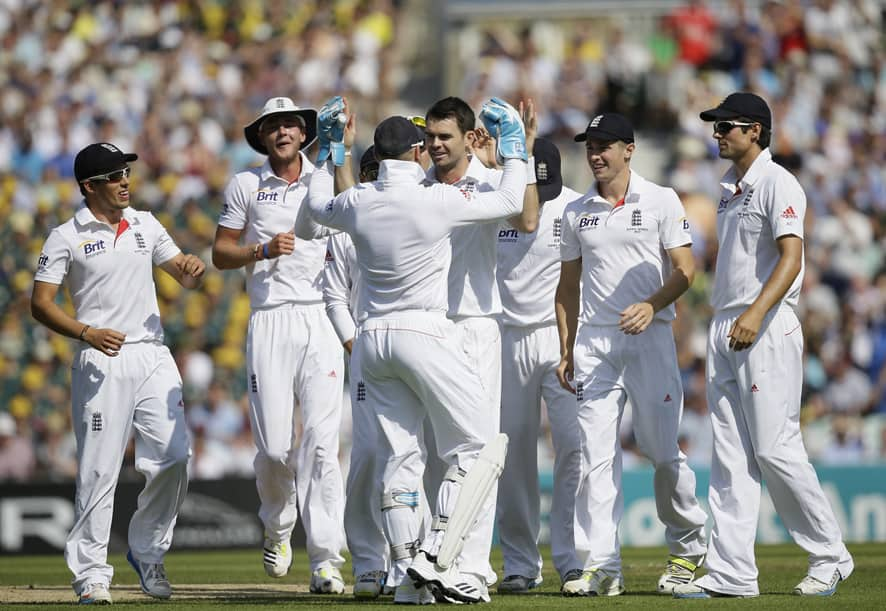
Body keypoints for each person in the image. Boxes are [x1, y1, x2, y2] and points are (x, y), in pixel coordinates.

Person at [299, 106, 528, 604]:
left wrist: (326, 153)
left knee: (401, 460)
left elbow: (313, 211)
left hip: (371, 339)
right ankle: (439, 558)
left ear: (377, 156)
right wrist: (514, 144)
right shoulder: (437, 200)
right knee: (478, 447)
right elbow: (513, 200)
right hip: (424, 329)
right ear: (418, 152)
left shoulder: (357, 200)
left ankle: (408, 578)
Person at [674, 92, 854, 598]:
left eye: (726, 125)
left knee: (776, 448)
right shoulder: (729, 189)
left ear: (756, 131)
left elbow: (792, 258)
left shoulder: (779, 182)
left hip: (766, 324)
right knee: (730, 456)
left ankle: (830, 555)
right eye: (715, 125)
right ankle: (732, 573)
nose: (717, 133)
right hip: (726, 325)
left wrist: (755, 313)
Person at [31, 142, 203, 604]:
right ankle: (90, 574)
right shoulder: (65, 236)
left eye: (126, 173)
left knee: (175, 457)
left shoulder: (146, 224)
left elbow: (181, 272)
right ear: (89, 186)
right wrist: (86, 333)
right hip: (101, 356)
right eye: (113, 176)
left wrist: (189, 267)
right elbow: (41, 304)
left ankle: (147, 551)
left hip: (151, 353)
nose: (124, 181)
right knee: (99, 469)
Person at [555, 113, 708, 596]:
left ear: (629, 149)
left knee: (662, 452)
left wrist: (651, 304)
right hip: (595, 344)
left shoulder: (661, 199)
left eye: (605, 145)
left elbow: (687, 269)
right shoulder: (576, 211)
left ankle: (687, 547)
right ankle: (603, 563)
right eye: (589, 146)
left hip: (651, 337)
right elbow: (567, 285)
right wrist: (566, 348)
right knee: (595, 457)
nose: (596, 154)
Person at [211, 97, 346, 594]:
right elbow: (221, 253)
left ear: (303, 132)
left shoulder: (325, 176)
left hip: (321, 315)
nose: (284, 131)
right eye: (274, 126)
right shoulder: (246, 184)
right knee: (272, 448)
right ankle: (278, 523)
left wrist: (342, 148)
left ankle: (326, 559)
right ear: (263, 136)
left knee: (322, 443)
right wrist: (262, 249)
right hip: (269, 318)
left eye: (291, 124)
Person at [494, 138, 585, 594]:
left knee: (575, 446)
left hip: (561, 336)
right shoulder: (501, 205)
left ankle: (572, 558)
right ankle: (519, 562)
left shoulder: (572, 208)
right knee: (512, 456)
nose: (538, 200)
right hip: (506, 338)